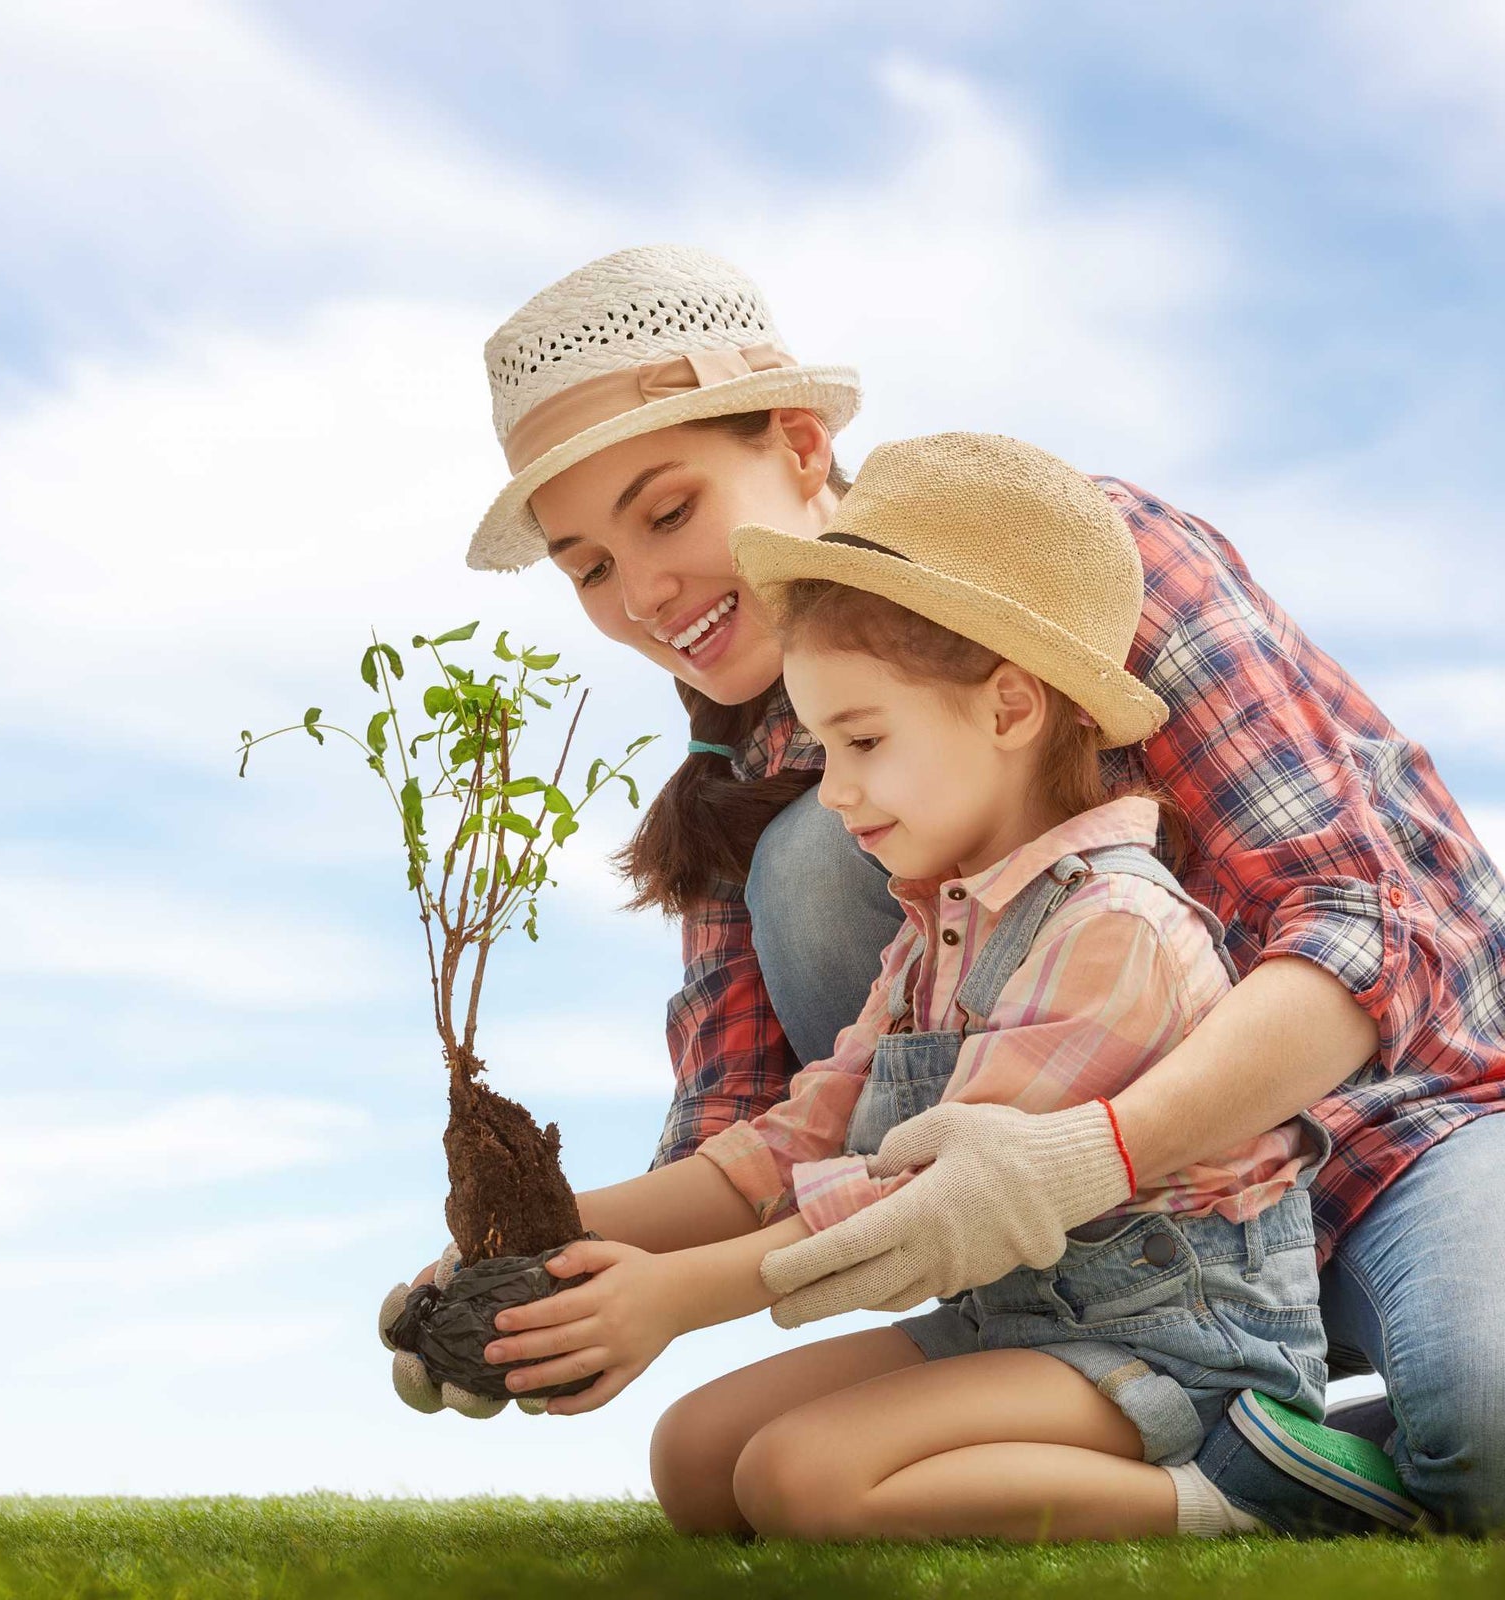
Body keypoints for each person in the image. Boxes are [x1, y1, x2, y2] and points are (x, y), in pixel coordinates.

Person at [385, 246, 1505, 1535]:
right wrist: (530, 1266)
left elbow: (1357, 929)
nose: (642, 593)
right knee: (803, 862)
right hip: (1042, 1262)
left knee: (1483, 1432)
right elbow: (763, 1126)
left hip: (1386, 1128)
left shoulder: (1069, 564)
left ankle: (1265, 1467)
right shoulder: (753, 756)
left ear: (801, 446)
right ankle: (1237, 1432)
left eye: (669, 512)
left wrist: (1085, 1156)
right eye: (587, 567)